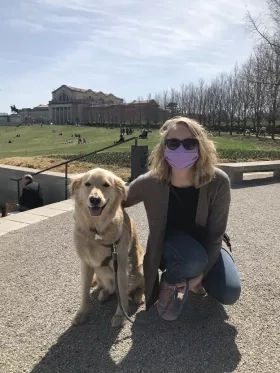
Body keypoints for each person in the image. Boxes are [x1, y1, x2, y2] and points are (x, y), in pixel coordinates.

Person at [123, 116, 241, 321]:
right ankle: (169, 283)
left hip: (206, 244)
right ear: (163, 148)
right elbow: (118, 201)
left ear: (201, 146)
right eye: (173, 143)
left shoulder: (218, 181)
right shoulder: (150, 181)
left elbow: (215, 235)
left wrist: (201, 276)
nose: (180, 149)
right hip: (170, 246)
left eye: (189, 144)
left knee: (229, 292)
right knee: (193, 258)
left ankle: (193, 277)